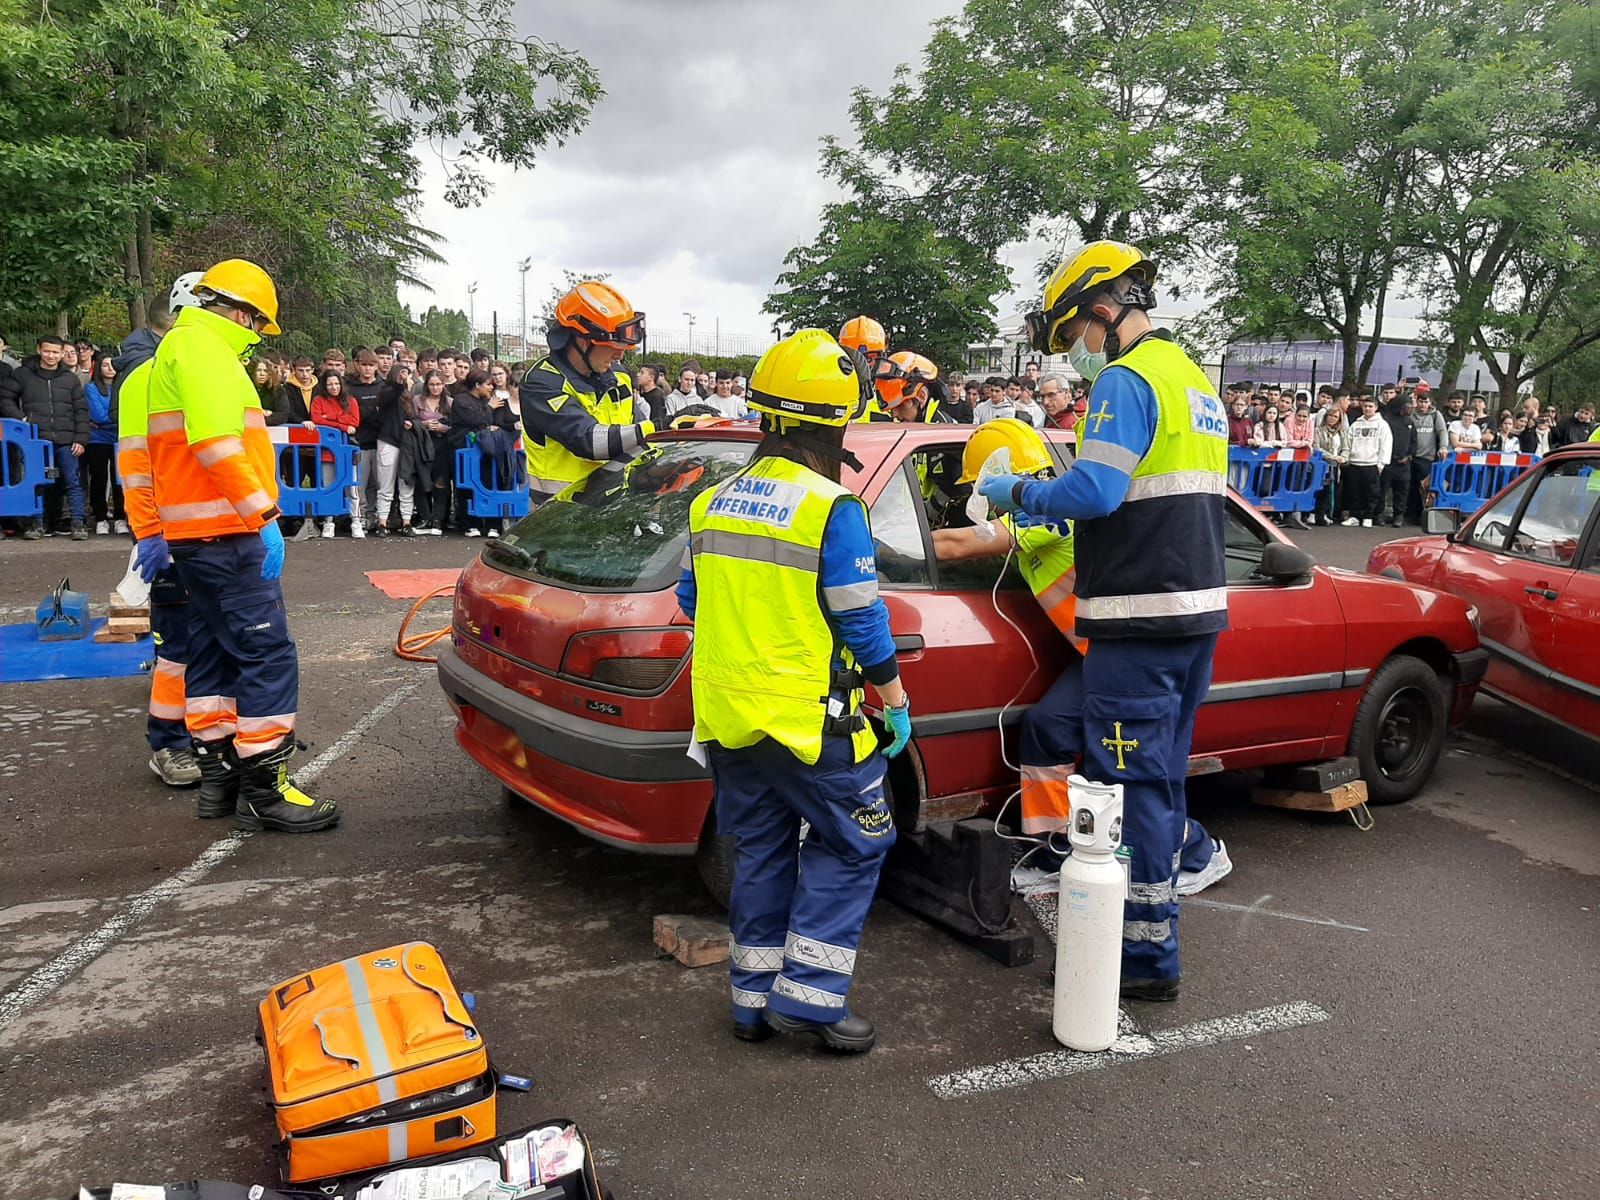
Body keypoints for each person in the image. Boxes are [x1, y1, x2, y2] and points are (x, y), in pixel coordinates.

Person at [980, 240, 1231, 1001]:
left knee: (1133, 789)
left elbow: (1094, 493)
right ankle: (1148, 945)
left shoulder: (1128, 377)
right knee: (1162, 781)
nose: (1077, 356)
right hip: (1192, 615)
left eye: (1075, 338)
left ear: (1101, 310)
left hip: (1137, 620)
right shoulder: (1192, 379)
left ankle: (1147, 962)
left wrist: (1014, 490)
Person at [678, 328, 908, 1053]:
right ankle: (810, 1000)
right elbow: (861, 620)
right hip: (813, 725)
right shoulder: (832, 508)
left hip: (728, 721)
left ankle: (751, 1003)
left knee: (763, 852)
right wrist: (895, 699)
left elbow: (693, 599)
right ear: (835, 421)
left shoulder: (711, 503)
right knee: (858, 842)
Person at [145, 257, 338, 832]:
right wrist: (264, 517)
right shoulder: (205, 352)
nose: (257, 338)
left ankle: (219, 776)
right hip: (227, 531)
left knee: (211, 651)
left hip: (195, 535)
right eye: (257, 325)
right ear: (239, 312)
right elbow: (215, 445)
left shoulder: (178, 350)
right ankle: (267, 785)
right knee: (265, 653)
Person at [115, 272, 205, 789]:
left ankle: (209, 734)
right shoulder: (143, 380)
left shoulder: (214, 373)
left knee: (217, 639)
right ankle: (169, 744)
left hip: (221, 536)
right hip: (173, 538)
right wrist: (150, 533)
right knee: (178, 646)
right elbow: (136, 466)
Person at [519, 281, 652, 502]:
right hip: (557, 516)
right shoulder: (541, 383)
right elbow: (590, 441)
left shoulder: (620, 377)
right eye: (613, 347)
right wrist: (660, 426)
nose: (620, 356)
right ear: (582, 339)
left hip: (611, 509)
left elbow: (639, 438)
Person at [0, 335, 89, 539]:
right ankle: (37, 524)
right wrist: (20, 419)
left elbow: (81, 410)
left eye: (55, 352)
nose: (51, 355)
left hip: (67, 439)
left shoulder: (70, 378)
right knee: (35, 481)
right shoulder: (23, 374)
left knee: (72, 481)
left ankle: (78, 523)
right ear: (39, 349)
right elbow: (5, 398)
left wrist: (81, 438)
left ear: (61, 354)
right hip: (34, 439)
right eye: (47, 351)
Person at [309, 369, 365, 539]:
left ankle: (356, 521)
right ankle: (328, 521)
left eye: (336, 383)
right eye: (330, 384)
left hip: (347, 452)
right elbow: (317, 420)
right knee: (328, 487)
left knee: (352, 489)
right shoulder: (318, 401)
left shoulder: (350, 400)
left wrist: (331, 417)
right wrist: (341, 421)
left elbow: (354, 422)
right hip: (327, 452)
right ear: (324, 386)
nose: (334, 387)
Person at [373, 363, 422, 537]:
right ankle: (382, 522)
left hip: (406, 444)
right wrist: (399, 383)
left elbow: (416, 418)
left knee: (406, 483)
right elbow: (390, 395)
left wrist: (412, 424)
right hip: (388, 441)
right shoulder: (387, 392)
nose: (406, 378)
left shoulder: (410, 399)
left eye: (408, 375)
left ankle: (406, 521)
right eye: (402, 374)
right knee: (385, 485)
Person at [84, 352, 127, 534]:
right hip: (97, 440)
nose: (109, 369)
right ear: (98, 368)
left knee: (120, 481)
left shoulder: (124, 387)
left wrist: (113, 421)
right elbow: (99, 416)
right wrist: (117, 420)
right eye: (105, 365)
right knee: (99, 479)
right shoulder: (91, 388)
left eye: (112, 365)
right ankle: (101, 517)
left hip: (119, 438)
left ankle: (120, 518)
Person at [413, 370, 454, 533]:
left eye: (438, 384)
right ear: (426, 385)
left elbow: (456, 426)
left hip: (442, 444)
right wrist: (424, 425)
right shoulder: (418, 400)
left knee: (441, 482)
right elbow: (411, 421)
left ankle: (438, 519)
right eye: (432, 384)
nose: (435, 388)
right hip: (423, 444)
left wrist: (444, 427)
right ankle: (424, 517)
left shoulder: (450, 402)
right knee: (422, 480)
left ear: (443, 385)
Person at [1342, 396, 1391, 526]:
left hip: (1372, 464)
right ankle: (1354, 516)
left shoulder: (1382, 425)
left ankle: (1368, 517)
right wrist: (1347, 457)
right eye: (1365, 406)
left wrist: (1381, 464)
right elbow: (1348, 441)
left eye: (1370, 406)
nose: (1367, 409)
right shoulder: (1356, 424)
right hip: (1355, 462)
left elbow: (1386, 445)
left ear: (1376, 408)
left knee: (1372, 493)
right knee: (1354, 492)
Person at [1408, 391, 1449, 523]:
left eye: (1426, 402)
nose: (1423, 405)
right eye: (1421, 401)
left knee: (1424, 488)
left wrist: (1443, 447)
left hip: (1427, 456)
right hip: (1410, 455)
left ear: (1430, 402)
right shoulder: (1410, 414)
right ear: (1417, 401)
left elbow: (1442, 431)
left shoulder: (1435, 415)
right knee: (1410, 487)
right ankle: (1409, 514)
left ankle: (1423, 515)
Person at [1379, 392, 1416, 526]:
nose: (1411, 409)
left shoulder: (1409, 421)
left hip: (1404, 463)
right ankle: (1379, 514)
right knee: (1382, 490)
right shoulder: (1386, 420)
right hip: (1388, 462)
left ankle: (1398, 515)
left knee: (1402, 491)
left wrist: (1409, 456)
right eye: (1408, 406)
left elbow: (1414, 441)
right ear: (1401, 406)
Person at [1312, 406, 1348, 526]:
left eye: (1335, 416)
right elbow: (1316, 447)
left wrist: (1343, 457)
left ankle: (1326, 514)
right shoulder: (1318, 430)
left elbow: (1345, 448)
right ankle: (1315, 514)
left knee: (1332, 491)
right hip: (1322, 465)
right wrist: (1332, 457)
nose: (1332, 419)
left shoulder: (1341, 432)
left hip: (1336, 466)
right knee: (1320, 490)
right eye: (1330, 416)